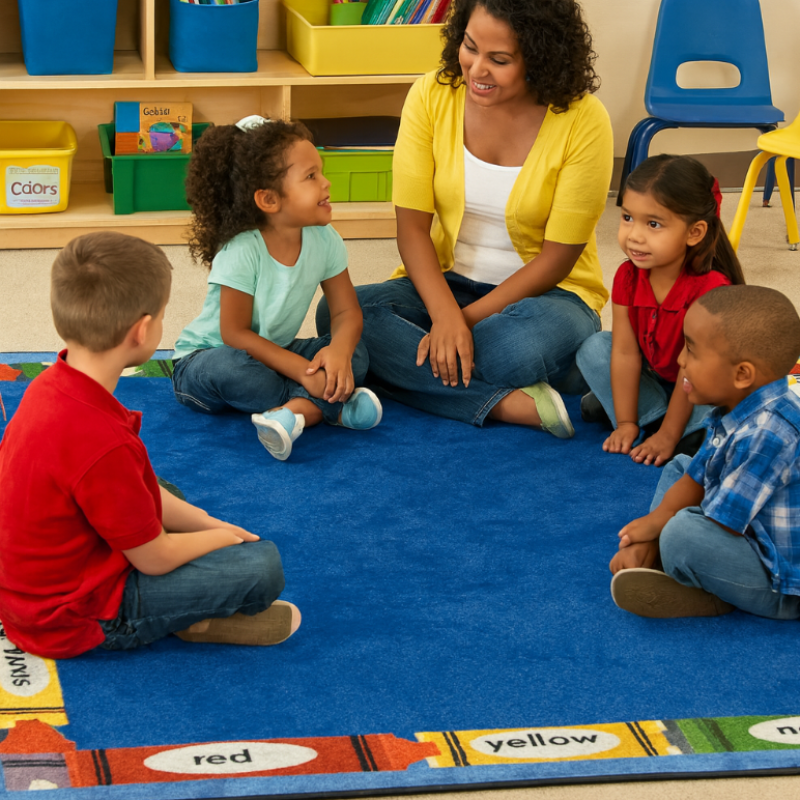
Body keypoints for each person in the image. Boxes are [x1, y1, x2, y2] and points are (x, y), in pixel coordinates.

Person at [317, 0, 613, 436]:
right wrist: (444, 315)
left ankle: (420, 371)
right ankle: (504, 403)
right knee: (338, 315)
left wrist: (463, 322)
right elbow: (412, 229)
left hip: (552, 297)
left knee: (504, 350)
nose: (477, 70)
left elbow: (557, 259)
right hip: (445, 283)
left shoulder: (584, 120)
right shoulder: (432, 95)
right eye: (470, 47)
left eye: (499, 60)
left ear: (541, 57)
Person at [0, 232, 300, 659]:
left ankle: (185, 600)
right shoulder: (103, 444)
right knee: (261, 566)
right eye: (161, 316)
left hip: (28, 591)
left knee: (162, 494)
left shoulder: (49, 384)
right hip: (71, 618)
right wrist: (221, 537)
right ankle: (186, 617)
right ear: (142, 332)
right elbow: (155, 559)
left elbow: (133, 489)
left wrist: (202, 519)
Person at [172, 116, 382, 461]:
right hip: (207, 359)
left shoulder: (325, 239)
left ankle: (294, 415)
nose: (326, 183)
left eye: (321, 172)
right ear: (269, 200)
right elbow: (234, 333)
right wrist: (303, 371)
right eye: (311, 177)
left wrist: (340, 352)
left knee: (356, 353)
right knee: (240, 374)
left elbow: (346, 311)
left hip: (275, 350)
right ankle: (330, 406)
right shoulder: (242, 249)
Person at [609, 285, 800, 620]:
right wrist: (654, 526)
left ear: (742, 374)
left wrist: (661, 527)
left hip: (781, 584)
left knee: (682, 534)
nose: (681, 360)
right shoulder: (736, 408)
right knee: (678, 468)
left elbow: (721, 522)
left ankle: (711, 594)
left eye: (692, 352)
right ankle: (660, 555)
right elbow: (696, 474)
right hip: (751, 535)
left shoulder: (771, 432)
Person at [576, 155, 746, 466]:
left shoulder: (711, 288)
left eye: (653, 224)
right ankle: (651, 417)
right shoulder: (627, 276)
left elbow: (691, 369)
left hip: (699, 381)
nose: (635, 235)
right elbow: (625, 352)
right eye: (628, 218)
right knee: (594, 349)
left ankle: (667, 426)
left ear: (694, 233)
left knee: (728, 401)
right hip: (656, 373)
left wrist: (668, 436)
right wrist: (626, 422)